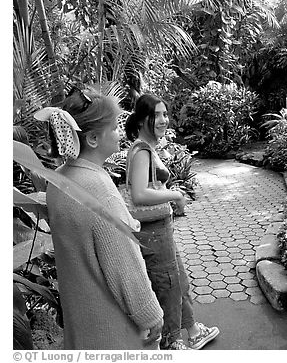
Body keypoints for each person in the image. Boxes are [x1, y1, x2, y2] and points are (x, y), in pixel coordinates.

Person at [44, 88, 164, 349]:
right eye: (114, 128)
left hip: (82, 323)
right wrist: (151, 315)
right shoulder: (99, 189)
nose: (120, 133)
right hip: (113, 332)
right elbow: (125, 265)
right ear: (93, 138)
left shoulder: (57, 180)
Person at [124, 93, 219, 350]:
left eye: (165, 114)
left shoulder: (148, 149)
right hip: (152, 232)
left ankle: (193, 331)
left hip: (161, 229)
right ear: (143, 120)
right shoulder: (142, 150)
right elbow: (140, 193)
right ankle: (172, 342)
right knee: (167, 285)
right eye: (157, 115)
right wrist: (176, 194)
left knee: (179, 281)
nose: (164, 120)